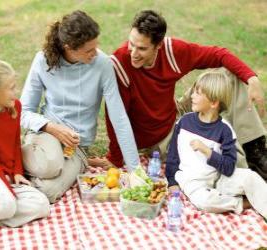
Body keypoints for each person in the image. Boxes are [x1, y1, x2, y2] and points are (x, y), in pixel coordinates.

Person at [105, 10, 267, 179]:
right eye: (131, 44)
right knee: (210, 150)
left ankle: (255, 151)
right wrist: (115, 158)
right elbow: (114, 115)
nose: (133, 53)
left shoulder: (171, 52)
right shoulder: (120, 64)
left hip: (175, 112)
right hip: (160, 139)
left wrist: (252, 78)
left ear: (158, 46)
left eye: (142, 48)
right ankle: (241, 175)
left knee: (230, 75)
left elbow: (218, 54)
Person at [20, 10, 140, 203]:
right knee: (51, 166)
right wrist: (51, 127)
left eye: (96, 46)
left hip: (77, 148)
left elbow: (119, 118)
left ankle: (27, 176)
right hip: (47, 133)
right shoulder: (42, 61)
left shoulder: (103, 64)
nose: (95, 53)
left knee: (48, 192)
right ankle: (19, 159)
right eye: (88, 50)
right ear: (69, 48)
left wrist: (136, 171)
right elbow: (23, 112)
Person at [165, 70, 267, 218]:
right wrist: (172, 182)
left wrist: (208, 152)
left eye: (198, 93)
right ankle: (242, 203)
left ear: (213, 103)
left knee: (250, 177)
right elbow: (172, 157)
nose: (191, 96)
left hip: (220, 179)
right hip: (192, 182)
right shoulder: (184, 123)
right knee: (205, 202)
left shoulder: (225, 130)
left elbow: (229, 167)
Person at [0, 59, 50, 227]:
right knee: (7, 203)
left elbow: (14, 144)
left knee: (41, 204)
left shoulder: (15, 107)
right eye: (11, 88)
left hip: (7, 174)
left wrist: (18, 173)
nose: (16, 92)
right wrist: (8, 190)